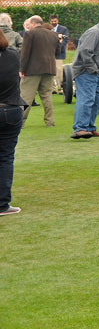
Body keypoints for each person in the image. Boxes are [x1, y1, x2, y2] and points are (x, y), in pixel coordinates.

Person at [0, 29, 27, 216]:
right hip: (10, 109)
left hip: (9, 107)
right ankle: (2, 203)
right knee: (6, 157)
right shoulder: (11, 55)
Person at [20, 15, 59, 127]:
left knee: (26, 96)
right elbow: (58, 51)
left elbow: (25, 53)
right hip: (49, 69)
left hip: (33, 70)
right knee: (47, 96)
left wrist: (22, 69)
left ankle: (20, 122)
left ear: (32, 23)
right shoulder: (54, 34)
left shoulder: (29, 34)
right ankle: (50, 121)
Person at [49, 13, 69, 94]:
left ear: (58, 20)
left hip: (59, 53)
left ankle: (60, 88)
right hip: (49, 53)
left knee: (59, 70)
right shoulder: (48, 29)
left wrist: (59, 45)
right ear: (50, 21)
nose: (54, 22)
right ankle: (53, 88)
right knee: (50, 70)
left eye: (55, 21)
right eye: (52, 21)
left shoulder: (63, 29)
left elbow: (65, 40)